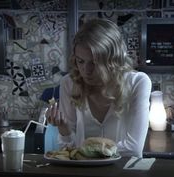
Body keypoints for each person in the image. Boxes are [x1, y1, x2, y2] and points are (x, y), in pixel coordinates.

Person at [46, 18, 152, 157]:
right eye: (80, 61)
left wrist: (82, 150)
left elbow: (134, 148)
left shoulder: (138, 82)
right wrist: (64, 129)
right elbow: (68, 150)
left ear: (112, 61)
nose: (86, 70)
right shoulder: (69, 83)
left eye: (95, 63)